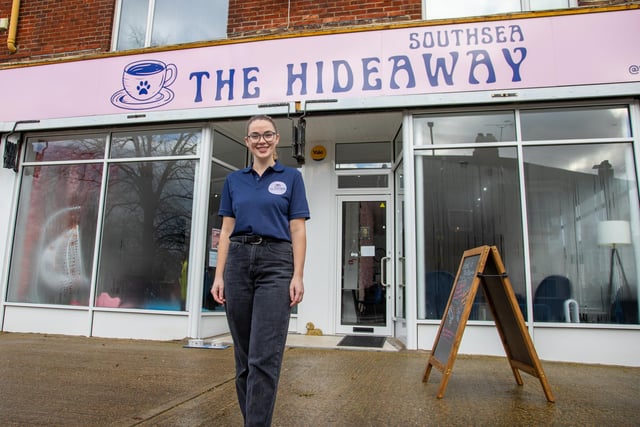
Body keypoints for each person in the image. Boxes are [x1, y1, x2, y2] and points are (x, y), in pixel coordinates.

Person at [211, 115, 310, 426]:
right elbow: (226, 231)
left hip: (276, 263)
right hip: (238, 262)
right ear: (247, 142)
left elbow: (297, 230)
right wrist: (219, 275)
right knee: (243, 361)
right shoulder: (234, 181)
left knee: (263, 358)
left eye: (267, 134)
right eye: (255, 135)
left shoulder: (292, 177)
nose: (261, 140)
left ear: (277, 138)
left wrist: (297, 275)